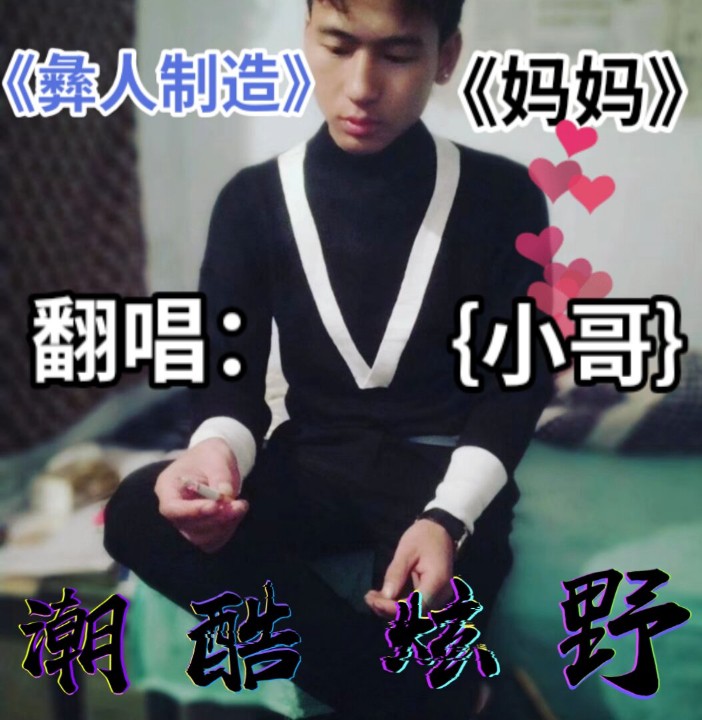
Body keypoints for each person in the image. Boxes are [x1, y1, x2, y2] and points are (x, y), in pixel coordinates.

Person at [104, 1, 553, 717]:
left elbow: (516, 386)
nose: (361, 86)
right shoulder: (252, 201)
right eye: (338, 46)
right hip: (314, 461)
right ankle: (418, 696)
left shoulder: (503, 197)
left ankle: (408, 692)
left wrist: (449, 518)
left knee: (430, 634)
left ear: (445, 56)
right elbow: (228, 376)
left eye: (398, 55)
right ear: (306, 37)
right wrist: (216, 453)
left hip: (444, 472)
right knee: (136, 510)